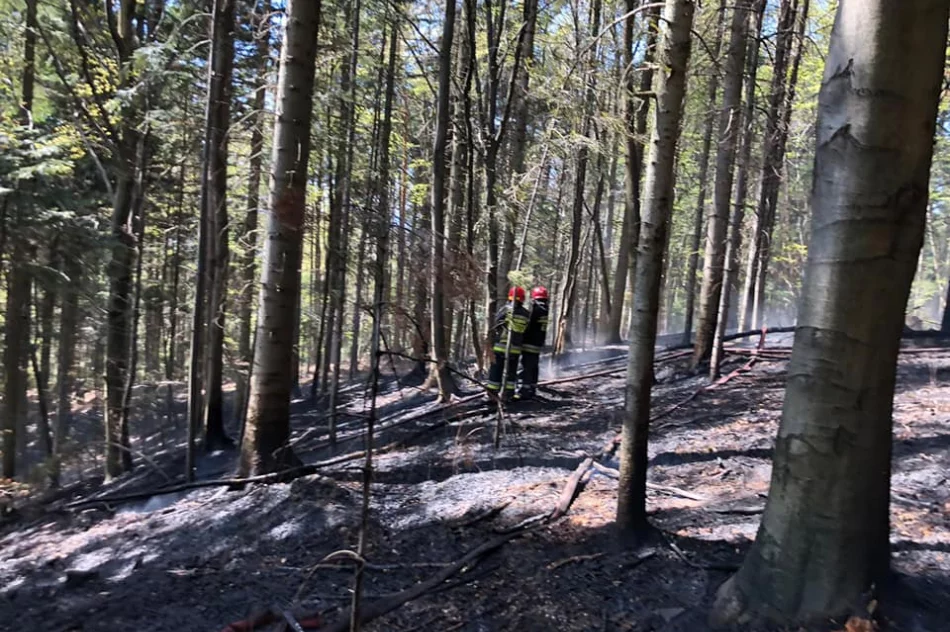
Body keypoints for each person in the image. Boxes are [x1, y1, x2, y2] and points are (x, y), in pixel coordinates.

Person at [486, 287, 530, 401]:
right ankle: (508, 394)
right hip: (515, 349)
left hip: (501, 347)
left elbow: (496, 323)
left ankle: (492, 393)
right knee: (511, 372)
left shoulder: (506, 309)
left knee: (496, 370)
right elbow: (526, 331)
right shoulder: (526, 314)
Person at [516, 286, 549, 399]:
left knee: (526, 366)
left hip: (529, 342)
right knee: (534, 366)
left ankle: (524, 390)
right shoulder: (545, 309)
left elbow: (529, 325)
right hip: (538, 343)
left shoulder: (536, 310)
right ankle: (532, 388)